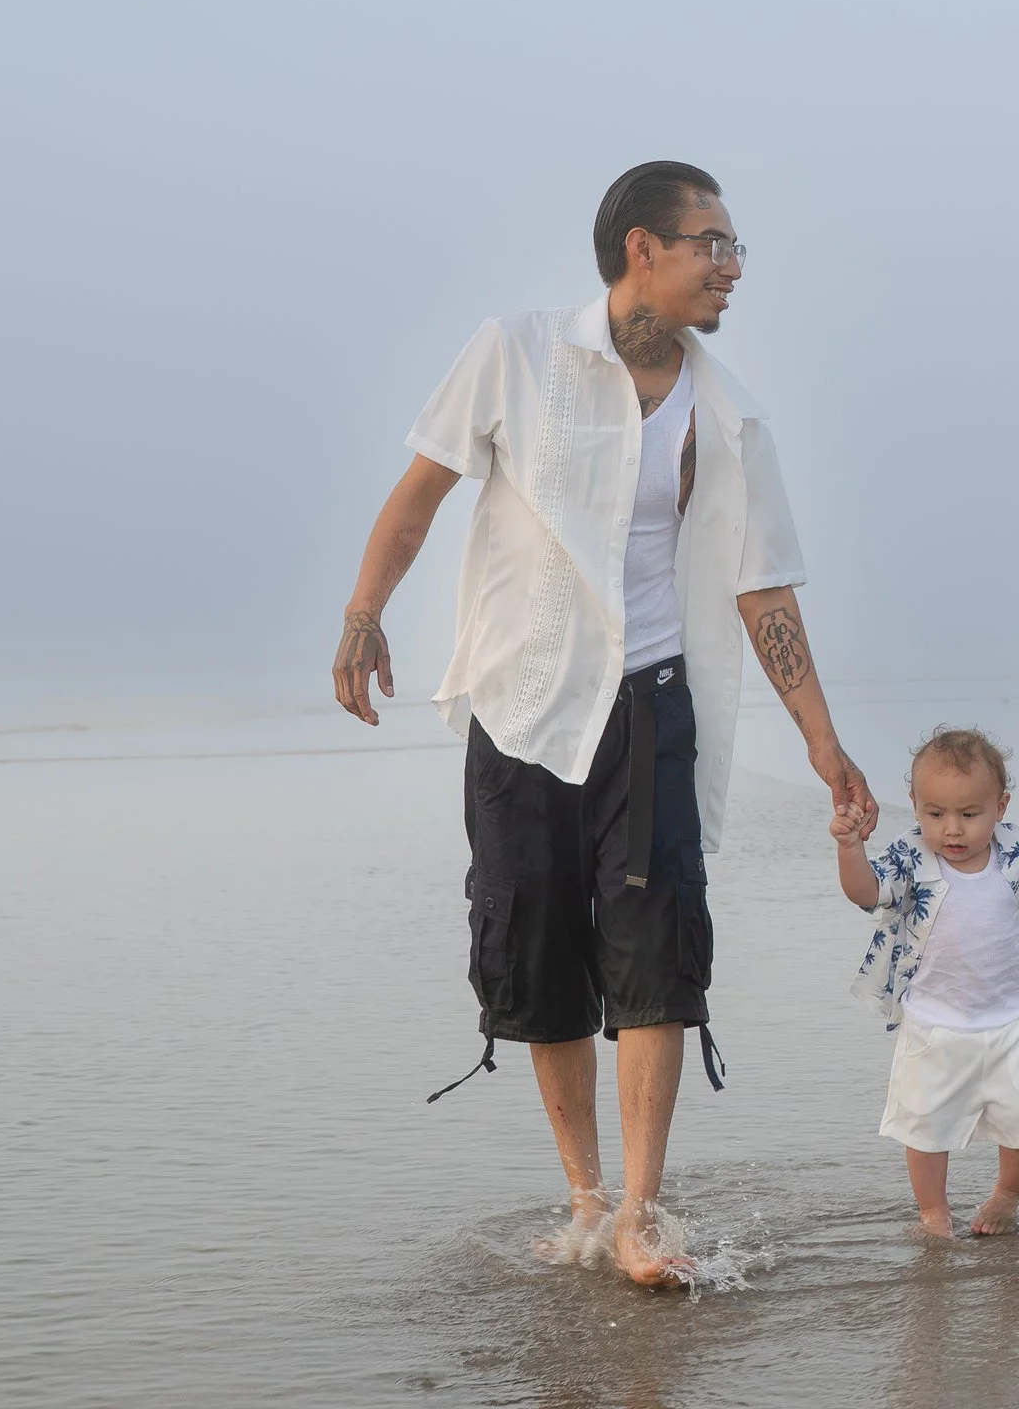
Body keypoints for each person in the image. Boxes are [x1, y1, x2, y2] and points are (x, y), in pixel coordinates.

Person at [331, 161, 876, 1286]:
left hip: (653, 706)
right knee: (536, 951)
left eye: (733, 250)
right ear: (642, 247)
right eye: (710, 245)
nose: (731, 269)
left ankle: (639, 1211)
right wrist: (363, 614)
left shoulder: (728, 415)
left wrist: (824, 744)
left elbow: (763, 591)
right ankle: (582, 1191)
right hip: (523, 705)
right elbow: (422, 492)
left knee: (656, 955)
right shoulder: (517, 353)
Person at [837, 728, 1019, 1241]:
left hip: (1008, 1021)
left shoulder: (1013, 849)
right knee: (925, 1129)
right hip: (933, 1024)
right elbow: (865, 893)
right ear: (914, 804)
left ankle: (1006, 1195)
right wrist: (848, 848)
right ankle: (933, 1211)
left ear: (1000, 806)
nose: (952, 829)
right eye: (935, 814)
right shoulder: (910, 857)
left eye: (970, 815)